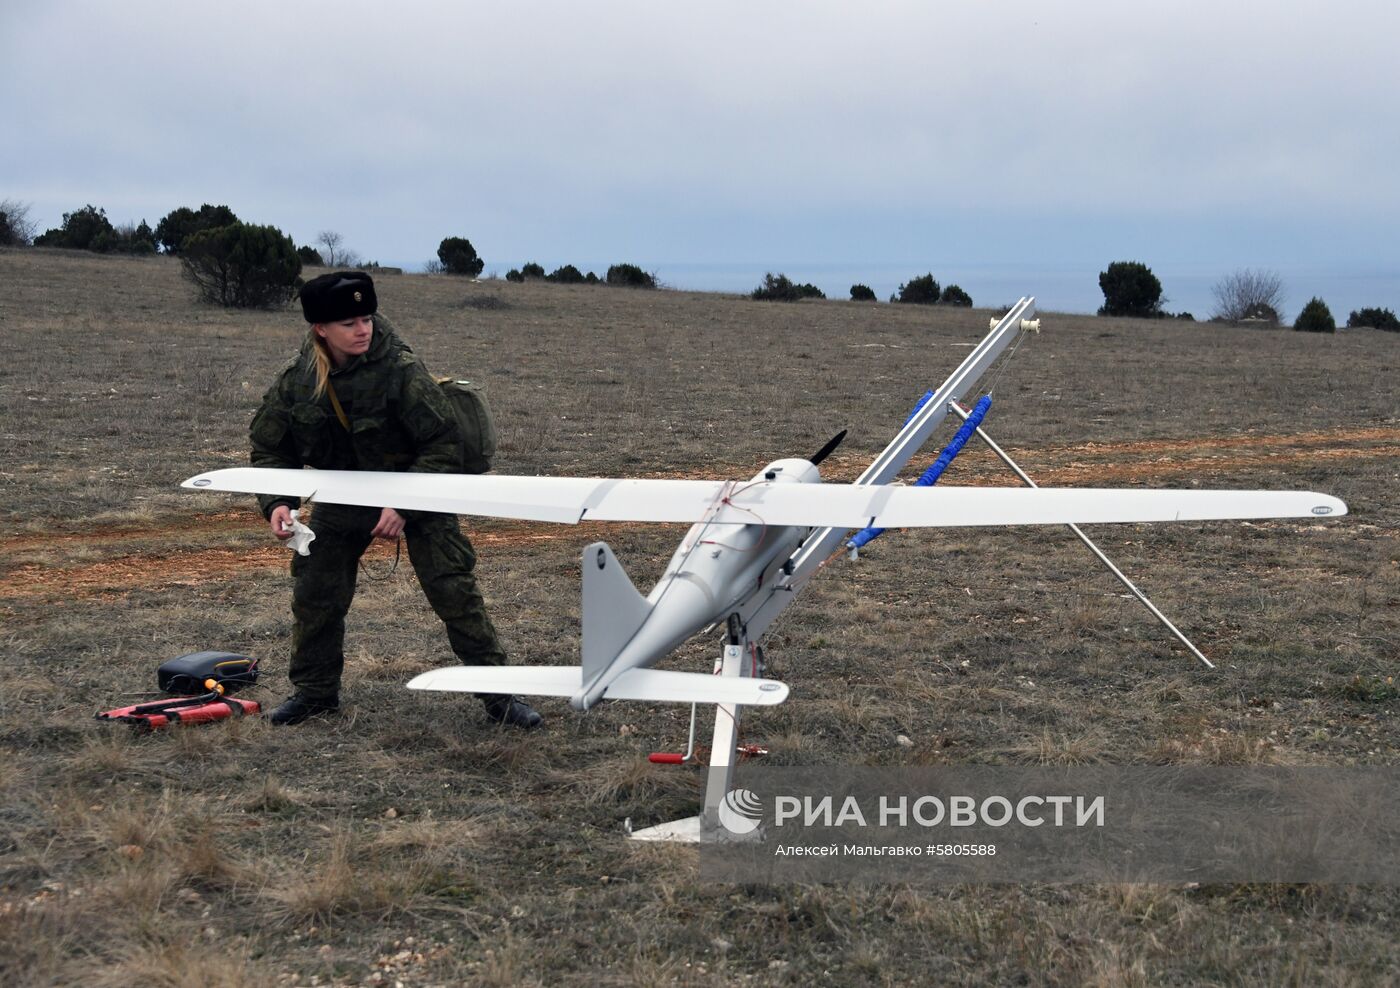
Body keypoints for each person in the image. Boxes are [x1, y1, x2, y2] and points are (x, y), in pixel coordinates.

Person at [249, 270, 541, 729]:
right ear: (320, 329)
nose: (362, 329)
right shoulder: (298, 380)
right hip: (344, 500)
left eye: (366, 318)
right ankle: (315, 693)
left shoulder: (401, 371)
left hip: (417, 493)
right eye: (349, 322)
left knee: (455, 594)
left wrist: (404, 505)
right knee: (315, 595)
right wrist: (278, 502)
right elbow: (270, 449)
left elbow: (443, 443)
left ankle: (500, 698)